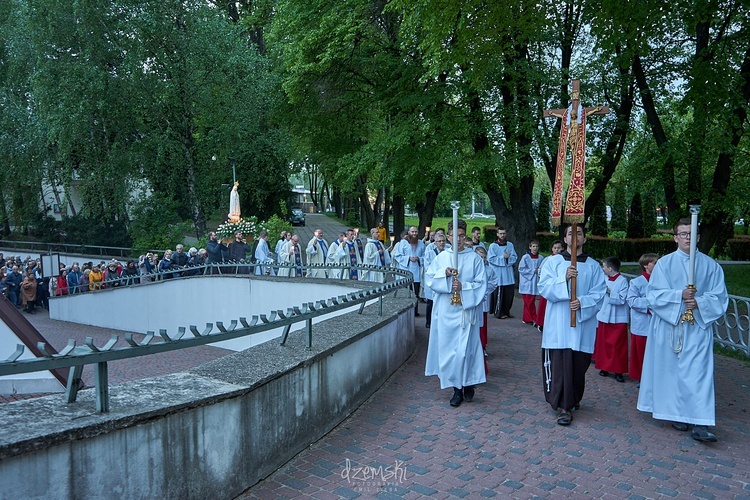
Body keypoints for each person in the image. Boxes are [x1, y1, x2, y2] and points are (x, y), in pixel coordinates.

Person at [637, 218, 729, 442]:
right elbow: (653, 295)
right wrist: (678, 295)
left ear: (698, 237)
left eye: (692, 233)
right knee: (670, 373)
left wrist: (700, 302)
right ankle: (676, 414)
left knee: (698, 374)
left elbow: (720, 297)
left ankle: (701, 423)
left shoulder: (711, 266)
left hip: (697, 327)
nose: (687, 237)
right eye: (683, 233)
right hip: (669, 327)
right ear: (675, 237)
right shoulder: (665, 265)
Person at [539, 224, 606, 426]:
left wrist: (582, 303)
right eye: (570, 233)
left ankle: (573, 398)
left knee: (577, 366)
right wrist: (563, 279)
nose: (574, 236)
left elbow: (599, 293)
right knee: (560, 365)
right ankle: (563, 406)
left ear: (585, 239)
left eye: (578, 233)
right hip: (558, 324)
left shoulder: (593, 266)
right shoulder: (553, 262)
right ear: (565, 239)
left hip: (581, 325)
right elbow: (543, 286)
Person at [425, 220, 487, 407]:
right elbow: (429, 278)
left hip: (465, 312)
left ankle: (466, 383)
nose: (458, 239)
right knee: (450, 352)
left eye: (461, 235)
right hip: (446, 311)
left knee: (465, 351)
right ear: (448, 236)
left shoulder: (474, 258)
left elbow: (481, 284)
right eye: (454, 235)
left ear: (465, 236)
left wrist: (463, 287)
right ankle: (456, 388)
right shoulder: (442, 257)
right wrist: (444, 275)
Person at [594, 256, 630, 383]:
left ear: (610, 268)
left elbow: (622, 299)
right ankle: (604, 367)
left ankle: (618, 371)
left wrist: (609, 292)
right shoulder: (603, 279)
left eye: (603, 266)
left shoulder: (622, 281)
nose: (602, 269)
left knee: (618, 346)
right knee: (604, 344)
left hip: (618, 318)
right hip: (604, 315)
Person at [626, 253, 659, 388]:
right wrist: (651, 304)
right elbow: (632, 300)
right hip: (642, 323)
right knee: (641, 353)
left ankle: (655, 377)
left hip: (658, 321)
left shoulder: (662, 281)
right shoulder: (636, 282)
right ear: (646, 265)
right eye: (654, 263)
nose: (657, 265)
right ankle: (641, 377)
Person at [392, 226, 425, 316]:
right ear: (408, 233)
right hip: (406, 271)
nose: (414, 234)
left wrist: (419, 258)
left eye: (416, 232)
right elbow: (397, 256)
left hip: (417, 272)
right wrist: (408, 258)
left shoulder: (421, 243)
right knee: (406, 293)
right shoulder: (402, 243)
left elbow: (425, 256)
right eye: (412, 232)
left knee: (415, 293)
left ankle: (415, 311)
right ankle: (406, 312)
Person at [474, 245, 498, 365]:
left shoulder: (489, 269)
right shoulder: (472, 269)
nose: (482, 260)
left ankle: (483, 346)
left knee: (483, 326)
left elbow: (494, 282)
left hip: (483, 301)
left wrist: (484, 291)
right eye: (480, 257)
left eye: (484, 257)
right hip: (473, 301)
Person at [487, 227, 518, 318]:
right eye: (500, 233)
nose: (502, 235)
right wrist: (503, 258)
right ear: (497, 234)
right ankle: (498, 312)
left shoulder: (510, 245)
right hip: (499, 273)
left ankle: (506, 311)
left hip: (508, 273)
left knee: (508, 294)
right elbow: (491, 259)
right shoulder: (493, 246)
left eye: (504, 233)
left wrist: (508, 258)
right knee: (499, 294)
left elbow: (514, 257)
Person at [536, 240, 563, 333]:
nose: (557, 250)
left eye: (559, 248)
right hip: (549, 286)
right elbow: (541, 271)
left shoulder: (564, 259)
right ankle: (541, 323)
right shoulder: (547, 259)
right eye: (555, 248)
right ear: (552, 249)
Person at [423, 233, 446, 328]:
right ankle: (428, 321)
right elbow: (427, 267)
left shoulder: (447, 253)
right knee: (431, 302)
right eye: (439, 241)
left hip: (444, 281)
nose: (441, 243)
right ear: (435, 243)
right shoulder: (430, 253)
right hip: (433, 280)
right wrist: (440, 272)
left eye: (443, 241)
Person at [519, 240, 543, 326]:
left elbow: (542, 268)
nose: (535, 248)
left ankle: (526, 318)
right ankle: (533, 317)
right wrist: (533, 271)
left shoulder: (541, 258)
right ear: (530, 247)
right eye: (533, 246)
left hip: (535, 282)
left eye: (536, 246)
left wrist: (539, 271)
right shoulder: (525, 257)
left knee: (530, 301)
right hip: (527, 282)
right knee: (528, 301)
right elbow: (521, 269)